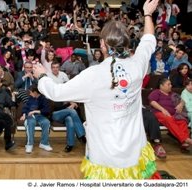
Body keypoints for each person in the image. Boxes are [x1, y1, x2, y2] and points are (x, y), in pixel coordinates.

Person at [33, 0, 161, 179]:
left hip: (105, 157)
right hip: (134, 152)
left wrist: (40, 75)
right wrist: (147, 14)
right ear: (126, 43)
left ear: (102, 44)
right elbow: (149, 40)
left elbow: (56, 92)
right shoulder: (138, 64)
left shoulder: (93, 75)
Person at [149, 78, 192, 153]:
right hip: (159, 113)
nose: (171, 86)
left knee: (182, 121)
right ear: (161, 86)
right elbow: (152, 102)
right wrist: (163, 110)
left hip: (173, 114)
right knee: (169, 119)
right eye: (168, 84)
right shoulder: (156, 92)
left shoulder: (172, 93)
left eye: (171, 84)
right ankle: (185, 139)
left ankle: (184, 143)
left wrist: (181, 104)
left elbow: (182, 100)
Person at [20, 85, 52, 154]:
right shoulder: (30, 98)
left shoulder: (43, 99)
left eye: (31, 92)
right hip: (31, 116)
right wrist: (24, 114)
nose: (30, 94)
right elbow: (25, 108)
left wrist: (35, 111)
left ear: (35, 92)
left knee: (46, 122)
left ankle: (44, 143)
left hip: (40, 116)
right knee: (31, 122)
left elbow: (47, 110)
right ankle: (29, 144)